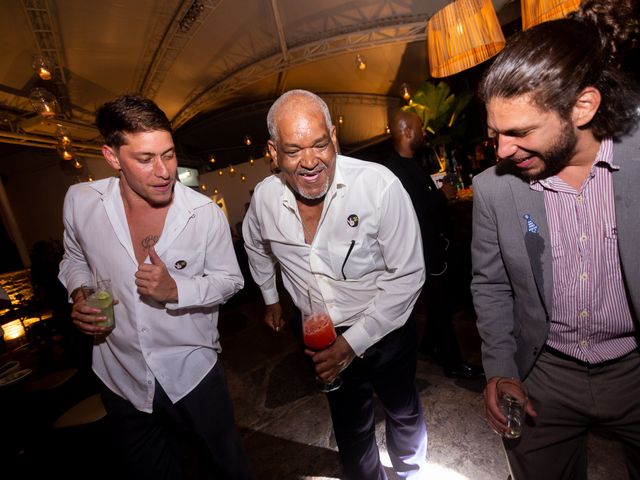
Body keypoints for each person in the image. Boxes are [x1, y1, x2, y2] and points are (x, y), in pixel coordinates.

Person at [471, 1, 640, 478]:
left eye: (519, 132)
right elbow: (491, 286)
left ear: (582, 107)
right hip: (544, 374)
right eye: (496, 133)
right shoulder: (494, 190)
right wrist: (500, 368)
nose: (501, 151)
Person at [58, 94, 253, 480]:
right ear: (112, 157)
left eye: (169, 154)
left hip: (192, 374)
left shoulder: (203, 214)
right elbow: (74, 258)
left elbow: (231, 280)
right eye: (145, 159)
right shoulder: (80, 202)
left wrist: (175, 291)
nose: (164, 171)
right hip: (120, 377)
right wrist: (79, 292)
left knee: (226, 467)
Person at [243, 90, 428, 479]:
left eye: (319, 144)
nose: (310, 162)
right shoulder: (263, 200)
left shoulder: (379, 187)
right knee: (349, 422)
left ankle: (410, 471)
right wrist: (271, 297)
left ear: (334, 137)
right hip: (320, 336)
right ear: (273, 153)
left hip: (385, 327)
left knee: (402, 408)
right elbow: (254, 246)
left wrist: (353, 343)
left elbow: (409, 275)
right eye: (293, 151)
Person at [383, 110, 483, 379]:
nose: (423, 132)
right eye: (419, 127)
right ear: (406, 132)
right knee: (442, 302)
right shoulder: (394, 171)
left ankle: (429, 344)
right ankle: (452, 362)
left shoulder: (411, 163)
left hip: (436, 247)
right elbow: (413, 210)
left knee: (443, 303)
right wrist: (442, 196)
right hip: (423, 252)